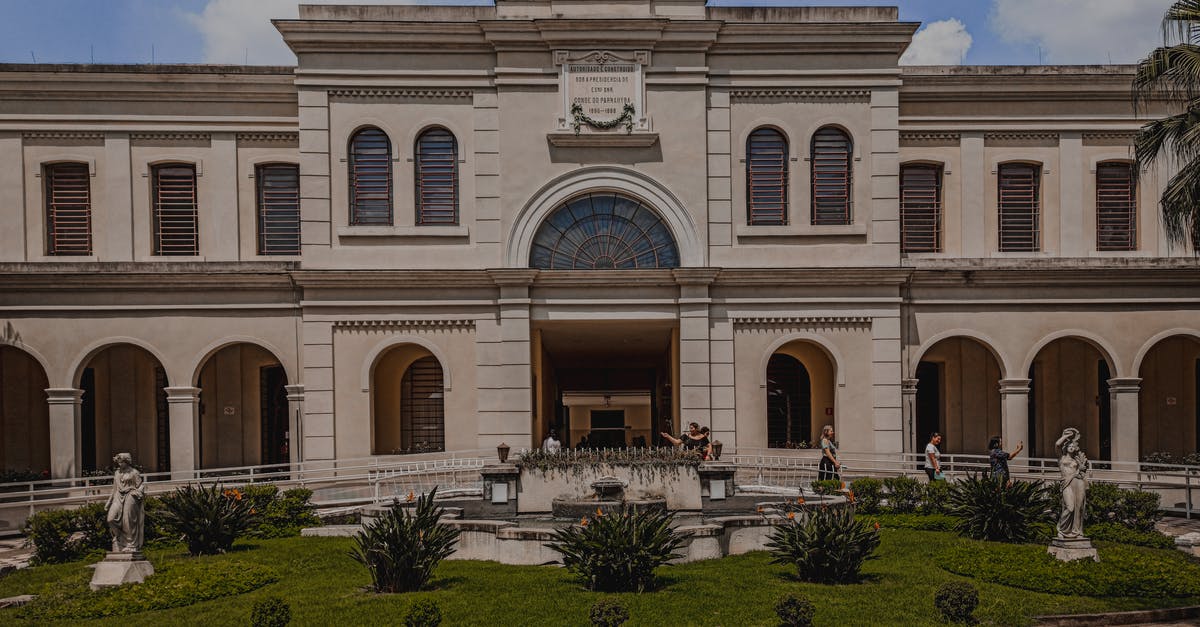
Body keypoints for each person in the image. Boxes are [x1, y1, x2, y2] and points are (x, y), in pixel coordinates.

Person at [105, 452, 146, 553]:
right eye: (118, 462)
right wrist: (108, 502)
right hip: (118, 496)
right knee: (111, 519)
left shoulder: (134, 472)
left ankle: (131, 544)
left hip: (130, 496)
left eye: (121, 462)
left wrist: (137, 493)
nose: (119, 464)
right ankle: (119, 538)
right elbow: (114, 489)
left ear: (127, 462)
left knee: (128, 521)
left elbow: (141, 486)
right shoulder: (117, 473)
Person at [1055, 427, 1088, 539]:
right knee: (1070, 508)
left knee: (1079, 508)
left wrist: (1082, 469)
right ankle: (1062, 529)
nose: (1071, 448)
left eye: (1073, 446)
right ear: (1066, 447)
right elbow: (1057, 444)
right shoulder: (1061, 458)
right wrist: (1066, 436)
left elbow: (1082, 473)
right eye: (1069, 446)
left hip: (1077, 482)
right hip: (1066, 484)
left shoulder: (1076, 460)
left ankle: (1076, 531)